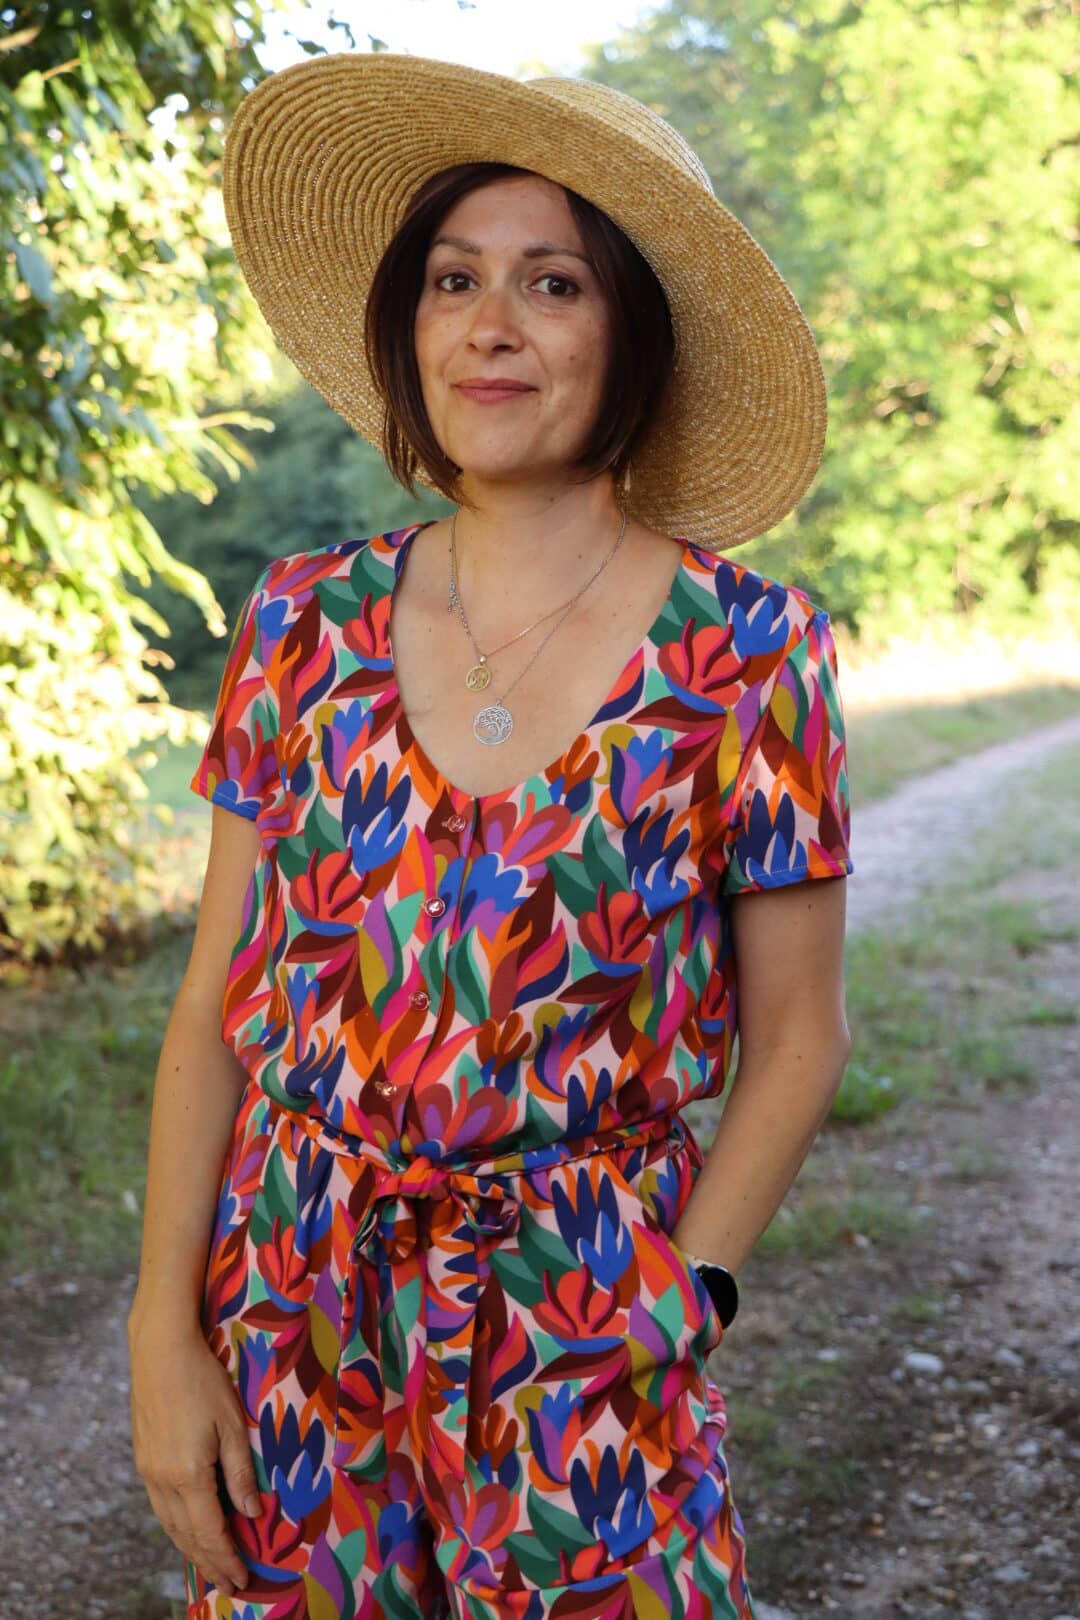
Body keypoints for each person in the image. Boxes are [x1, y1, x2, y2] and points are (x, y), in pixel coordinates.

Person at [127, 51, 853, 1620]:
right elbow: (212, 1010)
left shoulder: (751, 651)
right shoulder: (300, 624)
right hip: (296, 1316)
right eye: (455, 280)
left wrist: (685, 1298)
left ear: (632, 332)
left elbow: (800, 1035)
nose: (491, 324)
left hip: (586, 1320)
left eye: (554, 283)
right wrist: (159, 1336)